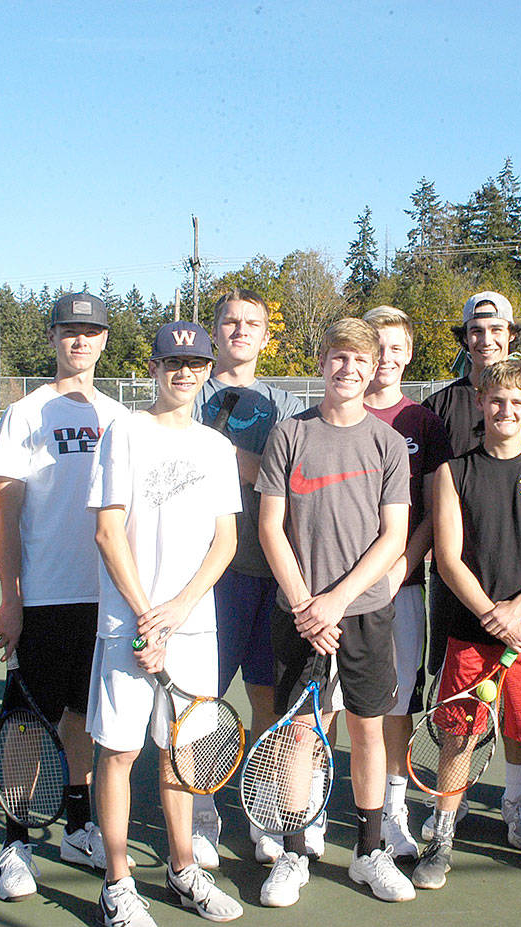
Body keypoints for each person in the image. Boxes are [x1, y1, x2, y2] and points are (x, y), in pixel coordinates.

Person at [88, 321, 244, 927]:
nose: (184, 373)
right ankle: (118, 882)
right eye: (172, 362)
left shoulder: (216, 447)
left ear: (207, 371)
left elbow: (225, 542)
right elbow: (107, 531)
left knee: (183, 758)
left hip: (192, 628)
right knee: (121, 752)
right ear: (153, 368)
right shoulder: (122, 433)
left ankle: (184, 870)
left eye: (195, 364)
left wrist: (176, 613)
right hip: (126, 625)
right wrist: (148, 618)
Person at [254, 318, 414, 907]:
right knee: (298, 730)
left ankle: (369, 851)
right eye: (338, 358)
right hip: (298, 615)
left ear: (375, 369)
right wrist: (305, 605)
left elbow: (393, 537)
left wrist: (337, 602)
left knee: (368, 729)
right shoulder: (289, 434)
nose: (349, 369)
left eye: (360, 361)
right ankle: (295, 851)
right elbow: (271, 526)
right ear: (322, 363)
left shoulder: (388, 443)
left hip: (365, 614)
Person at [422, 291, 521, 849]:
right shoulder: (451, 465)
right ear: (481, 403)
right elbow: (448, 556)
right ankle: (442, 831)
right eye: (495, 401)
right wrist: (492, 613)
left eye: (516, 401)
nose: (505, 410)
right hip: (471, 622)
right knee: (458, 734)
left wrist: (518, 610)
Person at [0, 292, 132, 900]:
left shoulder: (121, 418)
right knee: (26, 722)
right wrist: (12, 598)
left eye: (91, 332)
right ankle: (16, 841)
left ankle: (77, 826)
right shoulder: (25, 413)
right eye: (69, 331)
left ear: (104, 341)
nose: (81, 341)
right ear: (52, 338)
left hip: (106, 598)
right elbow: (6, 512)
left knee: (85, 717)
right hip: (45, 596)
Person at [190, 288, 305, 868]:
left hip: (270, 574)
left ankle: (260, 808)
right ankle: (201, 813)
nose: (240, 330)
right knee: (203, 699)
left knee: (267, 696)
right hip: (208, 575)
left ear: (266, 335)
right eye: (230, 321)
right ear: (214, 332)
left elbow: (285, 480)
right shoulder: (190, 392)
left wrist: (231, 458)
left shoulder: (287, 406)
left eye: (252, 323)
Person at [362, 305, 453, 859]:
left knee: (395, 701)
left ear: (410, 353)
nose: (387, 359)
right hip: (339, 592)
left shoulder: (423, 422)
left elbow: (431, 514)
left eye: (397, 348)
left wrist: (400, 567)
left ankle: (394, 807)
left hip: (402, 587)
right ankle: (318, 809)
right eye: (379, 348)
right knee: (327, 702)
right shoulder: (333, 414)